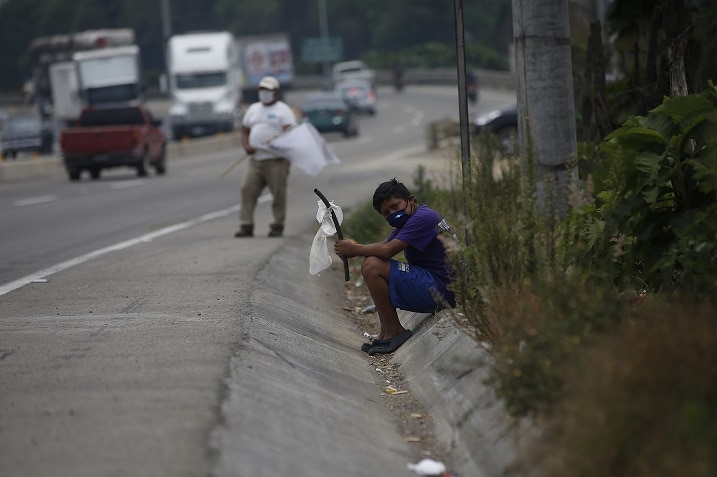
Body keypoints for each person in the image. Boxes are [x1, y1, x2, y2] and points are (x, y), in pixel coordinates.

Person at [334, 178, 458, 355]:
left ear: (410, 200)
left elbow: (387, 251)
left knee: (373, 266)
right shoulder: (410, 219)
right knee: (371, 262)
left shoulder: (423, 217)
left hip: (443, 289)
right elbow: (384, 244)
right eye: (386, 213)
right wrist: (353, 248)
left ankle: (394, 331)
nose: (392, 213)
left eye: (395, 206)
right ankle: (385, 334)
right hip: (438, 284)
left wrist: (354, 249)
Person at [235, 76, 297, 238]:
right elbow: (245, 131)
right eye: (262, 90)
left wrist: (277, 142)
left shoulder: (283, 110)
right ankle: (246, 225)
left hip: (276, 161)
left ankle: (278, 224)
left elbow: (290, 132)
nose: (265, 93)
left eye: (268, 90)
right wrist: (247, 146)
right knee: (247, 189)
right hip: (256, 160)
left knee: (278, 193)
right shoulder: (253, 109)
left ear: (275, 92)